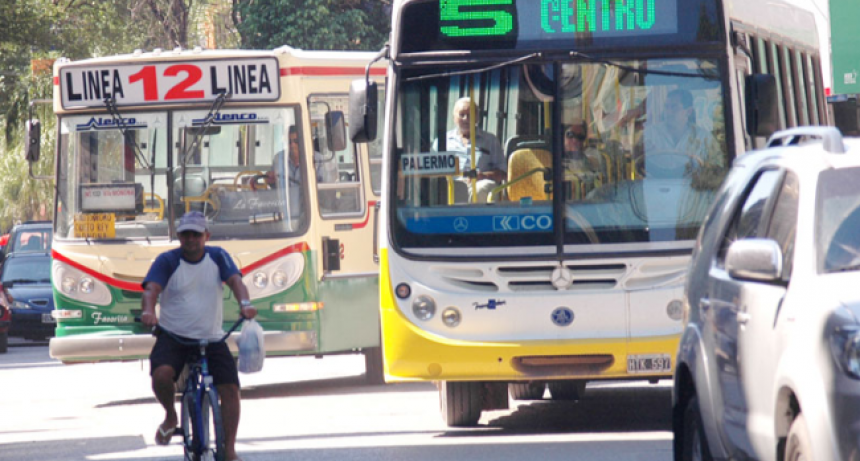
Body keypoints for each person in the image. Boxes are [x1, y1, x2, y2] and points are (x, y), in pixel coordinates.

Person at [140, 211, 257, 461]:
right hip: (174, 336)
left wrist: (245, 303)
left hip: (212, 338)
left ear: (206, 235)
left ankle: (229, 449)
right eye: (185, 235)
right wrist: (148, 311)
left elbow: (236, 282)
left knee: (230, 388)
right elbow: (151, 289)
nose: (191, 239)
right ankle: (171, 415)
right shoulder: (167, 261)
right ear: (179, 237)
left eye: (196, 234)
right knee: (161, 375)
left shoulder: (218, 256)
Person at [432, 97, 507, 203]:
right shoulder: (442, 141)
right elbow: (431, 169)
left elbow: (503, 172)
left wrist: (483, 175)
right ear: (454, 117)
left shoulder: (490, 140)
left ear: (477, 118)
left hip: (479, 184)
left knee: (480, 189)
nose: (466, 119)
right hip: (451, 184)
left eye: (470, 115)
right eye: (462, 114)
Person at [640, 88, 721, 175]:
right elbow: (637, 163)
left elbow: (717, 168)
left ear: (688, 111)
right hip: (654, 186)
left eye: (674, 107)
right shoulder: (649, 134)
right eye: (667, 107)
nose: (668, 112)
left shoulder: (704, 138)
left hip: (692, 186)